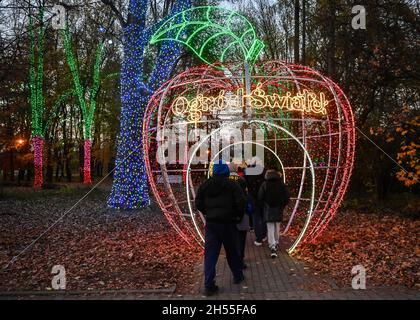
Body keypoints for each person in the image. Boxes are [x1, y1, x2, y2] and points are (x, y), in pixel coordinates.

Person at [195, 160, 247, 296]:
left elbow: (198, 203)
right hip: (228, 223)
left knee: (210, 255)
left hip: (212, 223)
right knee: (232, 251)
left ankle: (208, 284)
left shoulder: (205, 185)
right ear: (226, 171)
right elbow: (241, 202)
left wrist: (208, 212)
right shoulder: (232, 185)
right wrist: (237, 216)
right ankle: (237, 275)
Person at [258, 169, 290, 258]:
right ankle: (276, 242)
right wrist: (283, 204)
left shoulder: (265, 184)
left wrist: (263, 205)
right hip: (279, 208)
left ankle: (272, 245)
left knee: (270, 227)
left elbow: (260, 196)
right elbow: (287, 195)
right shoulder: (281, 184)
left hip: (268, 209)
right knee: (277, 226)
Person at [245, 160, 267, 246]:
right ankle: (264, 235)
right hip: (264, 198)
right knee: (263, 216)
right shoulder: (264, 172)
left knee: (256, 218)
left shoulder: (249, 172)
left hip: (253, 197)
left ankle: (259, 238)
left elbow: (246, 184)